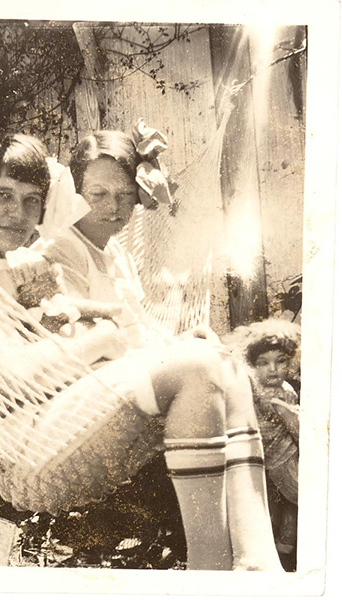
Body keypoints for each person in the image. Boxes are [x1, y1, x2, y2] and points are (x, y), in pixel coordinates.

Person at [22, 127, 284, 571]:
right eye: (97, 193)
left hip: (124, 376)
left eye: (125, 195)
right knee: (209, 373)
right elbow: (74, 343)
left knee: (228, 364)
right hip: (82, 398)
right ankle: (218, 561)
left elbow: (136, 330)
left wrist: (180, 341)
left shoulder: (116, 253)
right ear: (76, 191)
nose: (113, 208)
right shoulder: (61, 247)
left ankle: (254, 556)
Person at [224, 319, 300, 567]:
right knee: (279, 503)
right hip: (267, 457)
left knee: (297, 497)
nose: (273, 369)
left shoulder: (282, 392)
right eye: (263, 363)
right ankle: (282, 547)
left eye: (281, 361)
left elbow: (295, 430)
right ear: (253, 366)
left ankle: (286, 548)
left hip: (283, 457)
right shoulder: (257, 387)